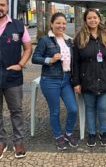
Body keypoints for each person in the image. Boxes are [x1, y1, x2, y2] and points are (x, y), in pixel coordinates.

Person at [73, 8, 106, 147]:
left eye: (95, 17)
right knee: (90, 108)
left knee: (104, 108)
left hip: (105, 79)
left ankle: (103, 132)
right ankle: (92, 133)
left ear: (99, 19)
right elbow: (74, 62)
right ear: (85, 20)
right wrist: (76, 82)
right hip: (87, 80)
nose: (92, 20)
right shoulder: (79, 38)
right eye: (89, 18)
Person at [32, 12, 78, 150]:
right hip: (50, 80)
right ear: (51, 24)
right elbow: (35, 58)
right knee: (55, 111)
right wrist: (50, 60)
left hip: (66, 79)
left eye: (64, 23)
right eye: (58, 23)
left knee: (73, 109)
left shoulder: (69, 41)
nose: (61, 26)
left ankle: (69, 132)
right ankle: (58, 136)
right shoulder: (45, 40)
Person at [0, 0, 32, 159]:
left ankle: (18, 141)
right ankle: (1, 142)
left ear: (7, 7)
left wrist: (20, 65)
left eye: (2, 4)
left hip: (12, 77)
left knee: (16, 111)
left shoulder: (18, 26)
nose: (0, 7)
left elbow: (28, 48)